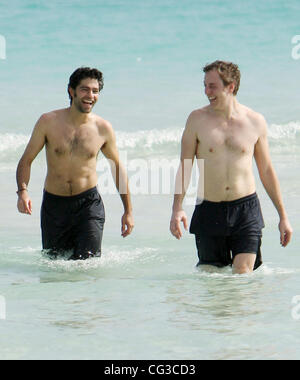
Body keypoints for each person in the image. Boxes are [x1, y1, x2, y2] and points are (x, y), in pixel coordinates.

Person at [170, 60, 293, 274]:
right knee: (212, 278)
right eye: (205, 85)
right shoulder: (197, 119)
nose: (207, 91)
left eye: (212, 86)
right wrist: (177, 208)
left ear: (231, 86)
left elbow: (266, 170)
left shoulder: (255, 121)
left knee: (243, 275)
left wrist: (283, 216)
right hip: (209, 209)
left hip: (246, 211)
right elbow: (185, 166)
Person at [16, 67, 134, 260]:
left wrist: (128, 211)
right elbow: (26, 160)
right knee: (55, 267)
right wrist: (23, 191)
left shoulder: (103, 128)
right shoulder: (48, 122)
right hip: (54, 206)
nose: (91, 96)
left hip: (88, 205)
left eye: (95, 91)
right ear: (71, 91)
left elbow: (118, 168)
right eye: (85, 90)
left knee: (87, 264)